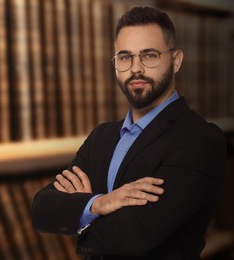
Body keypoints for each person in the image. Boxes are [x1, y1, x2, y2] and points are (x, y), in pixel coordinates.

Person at [31, 6, 227, 260]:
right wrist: (99, 203)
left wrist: (79, 217)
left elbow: (135, 236)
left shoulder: (200, 139)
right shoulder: (101, 137)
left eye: (149, 55)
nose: (135, 68)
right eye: (125, 57)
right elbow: (41, 209)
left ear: (176, 60)